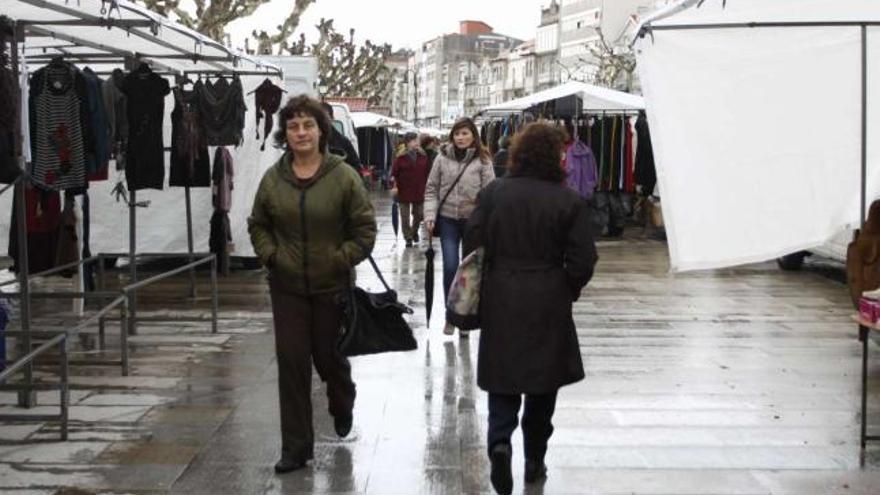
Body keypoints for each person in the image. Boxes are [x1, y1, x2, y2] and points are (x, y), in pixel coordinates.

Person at [464, 122, 598, 495]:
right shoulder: (567, 200)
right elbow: (584, 259)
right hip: (548, 298)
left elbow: (473, 242)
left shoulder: (494, 193)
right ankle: (535, 457)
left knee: (503, 380)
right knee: (543, 385)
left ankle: (500, 443)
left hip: (501, 295)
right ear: (555, 157)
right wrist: (566, 287)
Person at [248, 95, 377, 474]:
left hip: (331, 286)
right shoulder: (274, 178)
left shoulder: (343, 176)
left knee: (328, 358)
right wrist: (271, 255)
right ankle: (296, 447)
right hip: (286, 286)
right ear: (285, 134)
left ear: (322, 131)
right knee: (291, 362)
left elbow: (365, 230)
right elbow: (258, 223)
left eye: (308, 125)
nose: (300, 133)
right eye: (293, 126)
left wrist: (340, 259)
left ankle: (342, 398)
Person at [424, 117, 495, 337]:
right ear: (452, 136)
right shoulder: (441, 159)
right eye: (457, 134)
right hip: (447, 219)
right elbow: (431, 189)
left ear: (473, 135)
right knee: (450, 266)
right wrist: (429, 215)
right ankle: (451, 315)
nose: (461, 138)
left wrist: (486, 219)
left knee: (470, 271)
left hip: (473, 222)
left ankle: (465, 318)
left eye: (465, 133)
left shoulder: (483, 160)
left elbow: (490, 193)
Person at [391, 132, 430, 247]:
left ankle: (414, 232)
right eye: (414, 141)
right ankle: (408, 237)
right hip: (404, 190)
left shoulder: (423, 156)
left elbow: (428, 172)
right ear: (408, 143)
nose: (417, 143)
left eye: (417, 140)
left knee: (419, 214)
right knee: (405, 216)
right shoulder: (400, 157)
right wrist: (394, 186)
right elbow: (394, 173)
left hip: (419, 189)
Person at [321, 102, 363, 171]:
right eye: (318, 119)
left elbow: (356, 170)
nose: (321, 122)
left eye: (324, 118)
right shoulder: (308, 142)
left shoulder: (343, 143)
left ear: (332, 118)